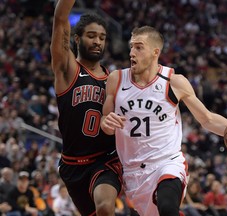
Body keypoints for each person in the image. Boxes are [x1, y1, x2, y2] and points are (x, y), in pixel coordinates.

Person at [101, 26, 227, 216]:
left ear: (155, 52)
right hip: (133, 172)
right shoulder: (117, 79)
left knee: (168, 208)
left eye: (139, 47)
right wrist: (106, 122)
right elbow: (106, 123)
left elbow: (207, 119)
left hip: (167, 163)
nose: (131, 53)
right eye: (131, 47)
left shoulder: (173, 81)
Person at [50, 0, 122, 215]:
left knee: (105, 207)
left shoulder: (114, 79)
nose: (97, 41)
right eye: (91, 36)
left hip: (105, 159)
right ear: (77, 38)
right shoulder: (68, 70)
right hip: (72, 165)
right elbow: (60, 18)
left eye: (102, 37)